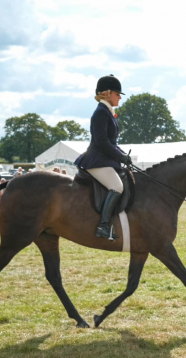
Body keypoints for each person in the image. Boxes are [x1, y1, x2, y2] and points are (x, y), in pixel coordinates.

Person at [74, 74, 131, 240]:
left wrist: (122, 156)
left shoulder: (107, 112)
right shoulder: (101, 112)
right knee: (117, 186)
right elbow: (102, 142)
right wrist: (120, 157)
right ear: (107, 93)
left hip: (103, 158)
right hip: (96, 160)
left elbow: (111, 142)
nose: (120, 97)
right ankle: (103, 226)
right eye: (117, 93)